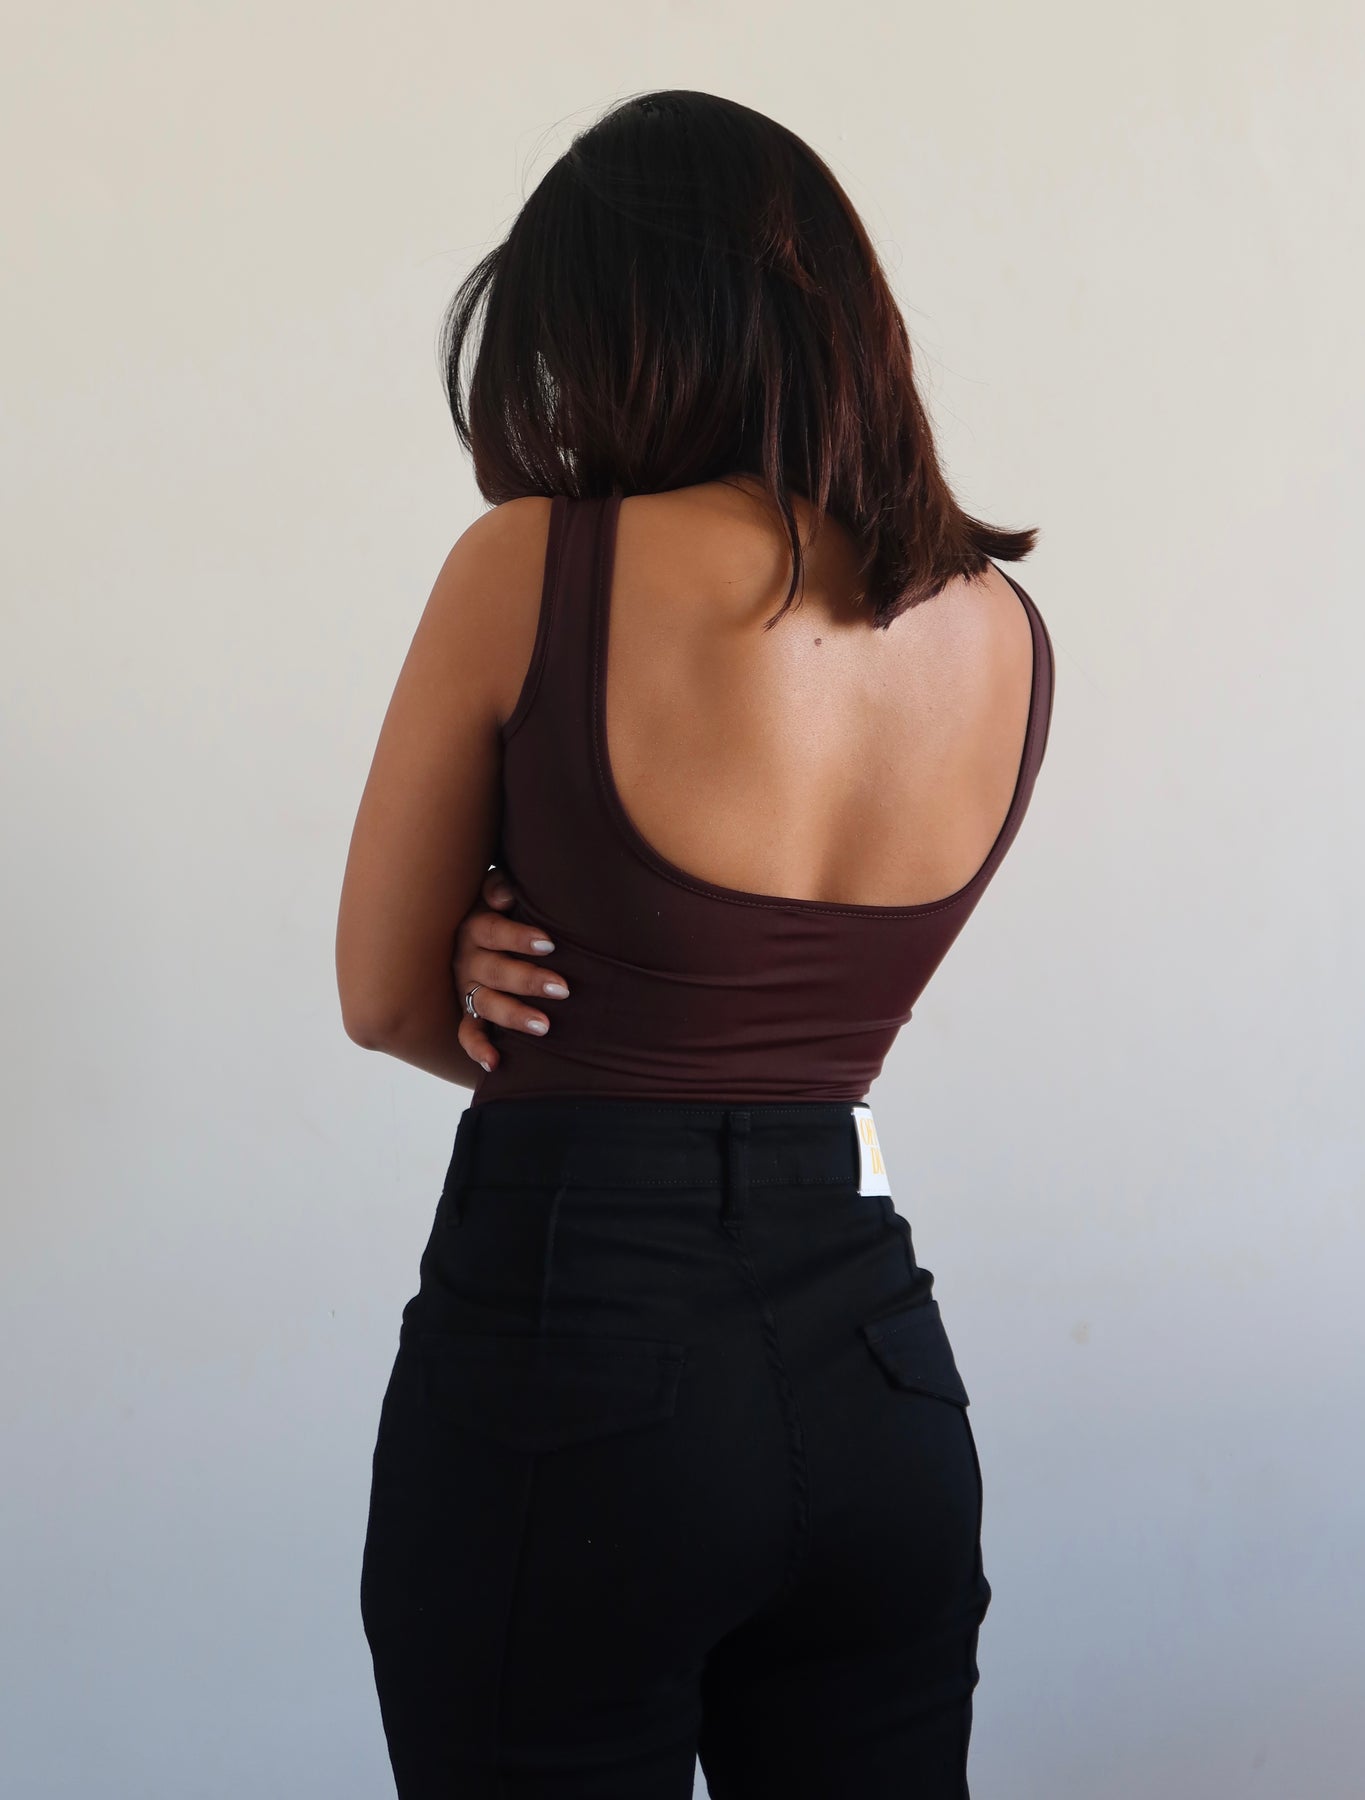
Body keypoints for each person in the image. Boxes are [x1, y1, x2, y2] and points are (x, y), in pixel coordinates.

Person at [336, 88, 1055, 1800]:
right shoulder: (1003, 632)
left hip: (579, 1357)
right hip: (880, 1375)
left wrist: (501, 983)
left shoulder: (533, 566)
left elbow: (379, 996)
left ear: (615, 332)